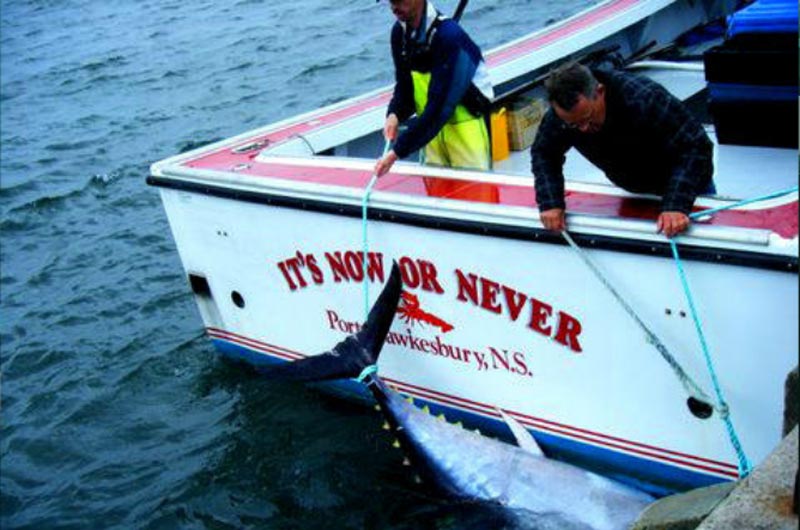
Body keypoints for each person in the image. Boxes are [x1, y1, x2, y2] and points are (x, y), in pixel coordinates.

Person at [530, 61, 715, 237]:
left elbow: (696, 147)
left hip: (687, 188)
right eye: (574, 125)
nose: (584, 129)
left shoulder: (644, 98)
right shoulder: (560, 116)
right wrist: (550, 201)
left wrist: (676, 204)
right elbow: (544, 153)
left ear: (600, 91)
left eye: (588, 118)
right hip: (634, 192)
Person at [374, 0, 495, 198]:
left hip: (465, 130)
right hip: (430, 135)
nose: (394, 6)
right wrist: (394, 114)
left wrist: (396, 153)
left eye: (399, 0)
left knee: (477, 200)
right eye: (390, 0)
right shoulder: (399, 33)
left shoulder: (449, 36)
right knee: (438, 199)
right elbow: (405, 86)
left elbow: (440, 107)